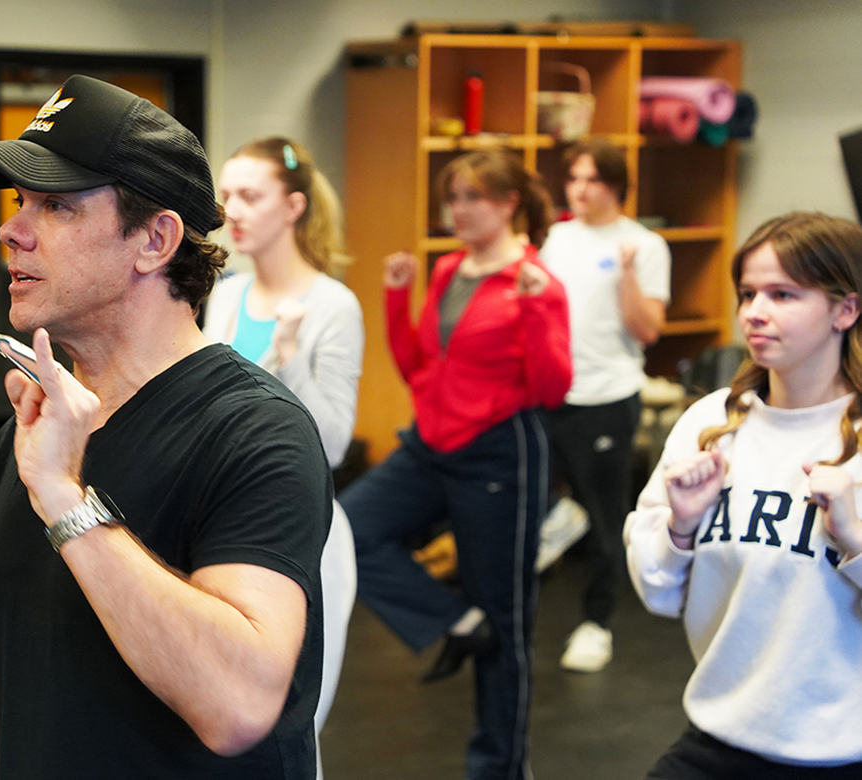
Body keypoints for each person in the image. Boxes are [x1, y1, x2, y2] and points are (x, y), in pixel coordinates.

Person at [0, 74, 330, 779]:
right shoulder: (35, 428)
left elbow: (238, 705)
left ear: (154, 239)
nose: (10, 229)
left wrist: (63, 494)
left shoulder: (254, 429)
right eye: (21, 201)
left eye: (56, 206)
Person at [339, 148, 571, 780]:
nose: (459, 210)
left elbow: (553, 388)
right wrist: (396, 297)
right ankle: (452, 619)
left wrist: (538, 308)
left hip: (500, 449)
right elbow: (418, 364)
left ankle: (499, 767)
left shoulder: (536, 282)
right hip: (432, 442)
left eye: (472, 197)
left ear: (508, 203)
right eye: (454, 197)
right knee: (346, 528)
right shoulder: (450, 270)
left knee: (507, 620)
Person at [626, 212, 862, 779]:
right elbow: (657, 594)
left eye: (783, 294)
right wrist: (680, 528)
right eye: (748, 293)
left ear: (845, 310)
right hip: (720, 737)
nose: (755, 313)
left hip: (841, 752)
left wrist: (856, 541)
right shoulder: (710, 422)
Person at [204, 136, 362, 777]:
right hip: (221, 521)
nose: (232, 209)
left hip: (305, 529)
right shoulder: (224, 296)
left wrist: (290, 357)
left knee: (292, 723)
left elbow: (332, 443)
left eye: (250, 195)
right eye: (226, 195)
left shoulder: (333, 305)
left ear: (293, 206)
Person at [538, 138, 671, 673]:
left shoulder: (642, 244)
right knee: (534, 505)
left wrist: (628, 275)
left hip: (607, 396)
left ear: (613, 185)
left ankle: (597, 624)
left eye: (590, 178)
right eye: (573, 178)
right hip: (550, 394)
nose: (578, 188)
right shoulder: (554, 237)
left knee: (603, 515)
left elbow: (649, 329)